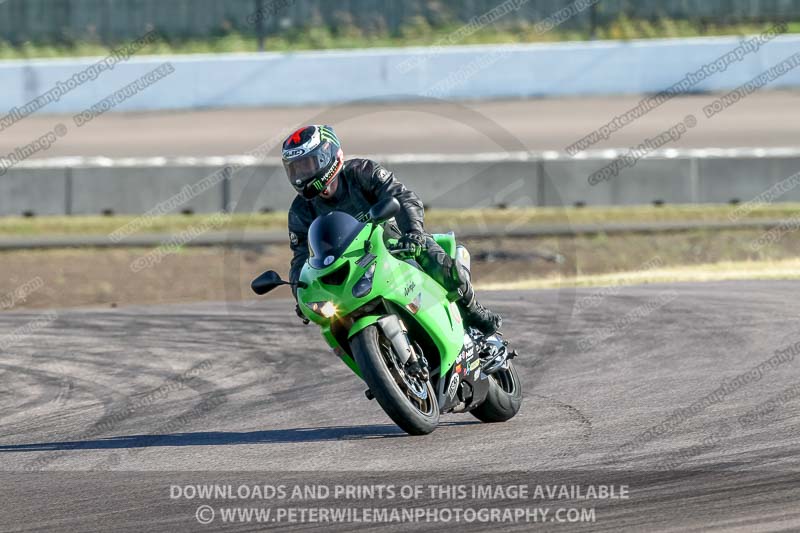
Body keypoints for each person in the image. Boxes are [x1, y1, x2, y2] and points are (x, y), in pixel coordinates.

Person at [282, 124, 502, 335]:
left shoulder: (362, 172)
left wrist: (413, 233)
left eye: (306, 165)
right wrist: (300, 293)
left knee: (433, 256)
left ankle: (473, 310)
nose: (300, 176)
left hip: (392, 245)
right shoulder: (300, 210)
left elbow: (401, 196)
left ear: (327, 157)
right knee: (332, 317)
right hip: (347, 266)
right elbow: (302, 256)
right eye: (294, 169)